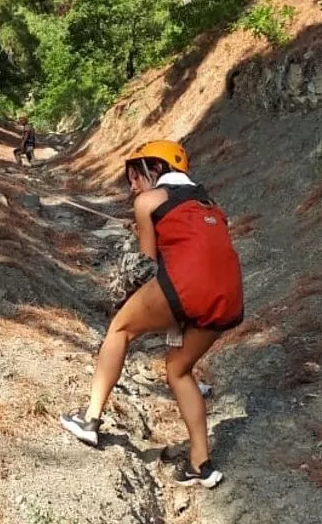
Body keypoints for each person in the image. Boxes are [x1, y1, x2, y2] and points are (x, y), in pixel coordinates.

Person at [59, 140, 244, 489]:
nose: (131, 185)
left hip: (187, 287)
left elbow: (146, 266)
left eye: (134, 176)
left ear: (155, 169)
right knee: (178, 369)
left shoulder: (147, 201)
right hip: (230, 298)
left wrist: (142, 234)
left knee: (119, 330)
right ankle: (200, 465)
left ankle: (90, 420)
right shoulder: (210, 204)